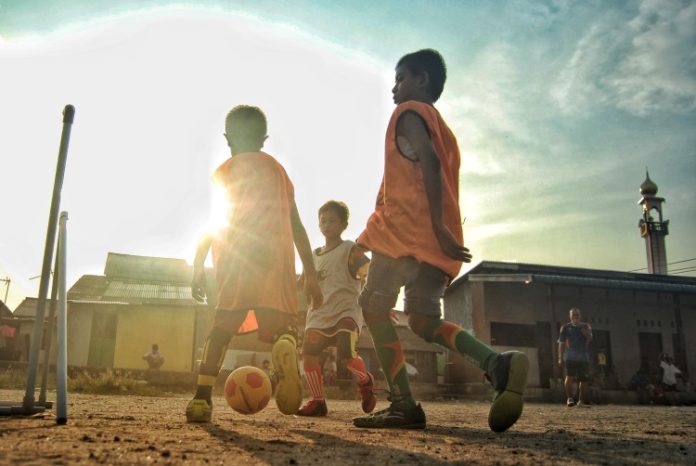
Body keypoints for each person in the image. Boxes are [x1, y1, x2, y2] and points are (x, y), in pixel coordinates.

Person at [352, 49, 529, 432]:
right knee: (422, 319)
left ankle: (403, 404)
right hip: (436, 244)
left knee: (374, 309)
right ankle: (496, 364)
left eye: (401, 78)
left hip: (404, 235)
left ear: (422, 81)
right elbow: (430, 167)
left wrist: (428, 225)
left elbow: (427, 165)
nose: (395, 88)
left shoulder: (408, 112)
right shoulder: (445, 131)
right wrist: (442, 229)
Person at [186, 105, 323, 423]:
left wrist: (197, 263)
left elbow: (214, 223)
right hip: (275, 259)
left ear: (227, 138)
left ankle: (201, 400)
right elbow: (297, 226)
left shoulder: (224, 172)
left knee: (221, 331)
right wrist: (311, 273)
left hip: (237, 257)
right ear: (264, 138)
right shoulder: (278, 172)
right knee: (281, 327)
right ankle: (286, 343)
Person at [298, 200, 377, 417]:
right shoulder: (312, 255)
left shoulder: (350, 249)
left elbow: (369, 273)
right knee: (309, 355)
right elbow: (302, 281)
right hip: (318, 314)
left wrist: (379, 301)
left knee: (346, 353)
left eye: (332, 220)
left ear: (343, 225)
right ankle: (318, 401)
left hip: (346, 311)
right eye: (323, 220)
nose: (326, 224)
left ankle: (365, 380)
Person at [558, 307, 593, 407]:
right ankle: (569, 399)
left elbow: (590, 338)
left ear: (580, 316)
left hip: (583, 357)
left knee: (584, 380)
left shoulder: (586, 326)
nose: (576, 317)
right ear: (570, 316)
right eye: (574, 315)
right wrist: (560, 358)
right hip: (570, 357)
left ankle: (581, 401)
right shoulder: (565, 327)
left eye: (577, 315)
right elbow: (561, 343)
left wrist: (584, 332)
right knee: (569, 377)